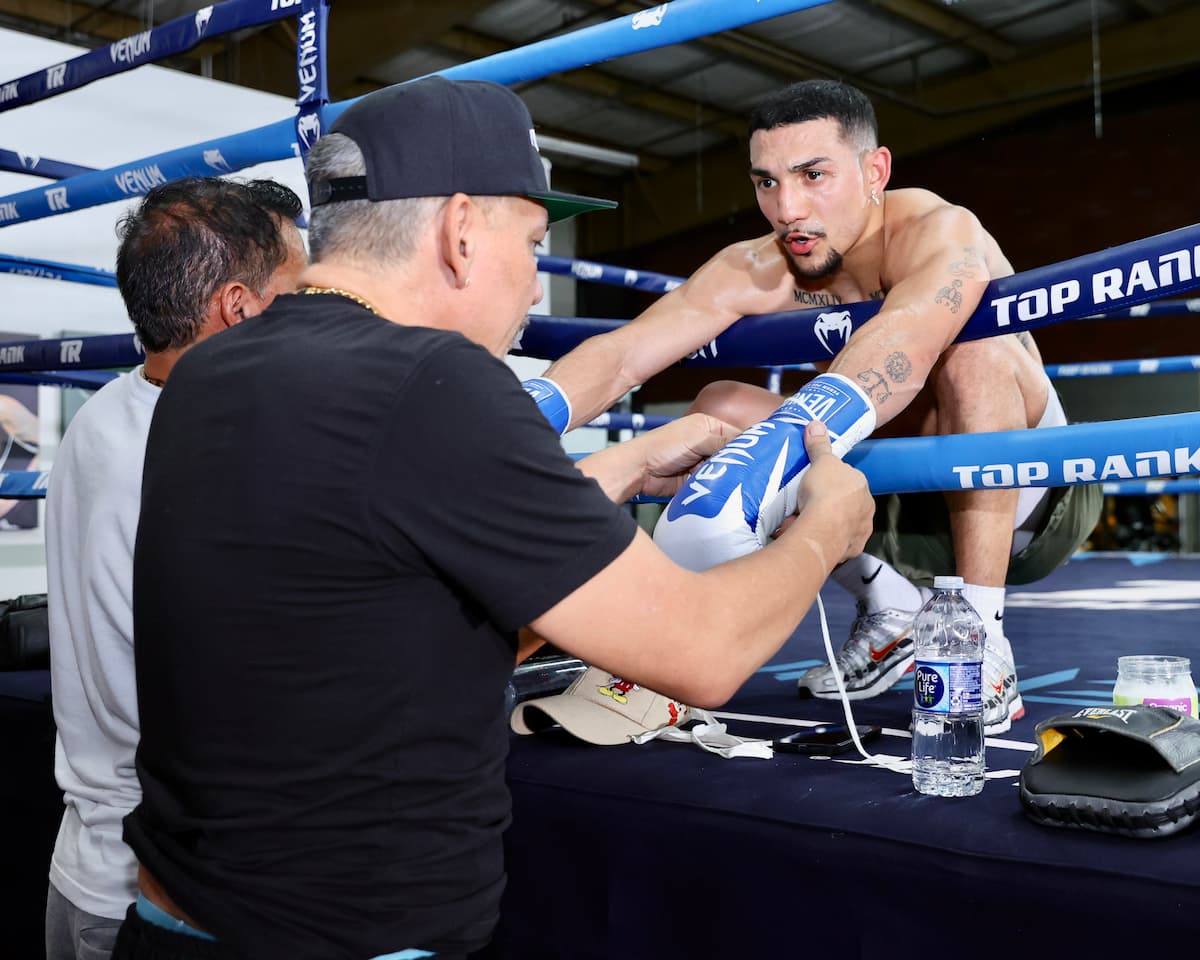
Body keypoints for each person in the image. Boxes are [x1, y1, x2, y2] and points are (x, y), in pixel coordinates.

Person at [113, 76, 873, 960]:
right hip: (345, 937)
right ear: (461, 231)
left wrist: (618, 468)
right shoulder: (431, 382)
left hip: (175, 921)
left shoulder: (210, 371)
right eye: (534, 242)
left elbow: (368, 610)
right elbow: (703, 652)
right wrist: (827, 525)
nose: (533, 288)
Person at [538, 79, 1102, 735]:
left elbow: (908, 342)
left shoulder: (940, 232)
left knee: (971, 353)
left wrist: (778, 450)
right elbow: (626, 353)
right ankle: (890, 609)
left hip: (1028, 500)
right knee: (721, 404)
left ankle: (975, 635)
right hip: (900, 501)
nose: (788, 208)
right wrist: (513, 418)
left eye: (812, 175)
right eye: (767, 182)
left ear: (874, 171)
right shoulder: (761, 265)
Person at [45, 177, 307, 960]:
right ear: (239, 306)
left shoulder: (104, 416)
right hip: (160, 896)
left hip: (87, 872)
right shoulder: (211, 457)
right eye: (297, 292)